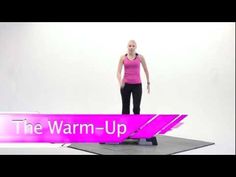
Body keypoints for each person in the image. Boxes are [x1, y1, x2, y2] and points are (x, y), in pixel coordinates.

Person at [117, 40, 150, 115]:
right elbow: (118, 72)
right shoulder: (123, 58)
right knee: (125, 108)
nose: (131, 47)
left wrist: (148, 83)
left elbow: (146, 70)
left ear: (136, 47)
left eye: (133, 46)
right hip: (125, 85)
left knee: (136, 107)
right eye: (129, 46)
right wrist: (120, 82)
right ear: (127, 47)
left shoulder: (140, 57)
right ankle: (126, 125)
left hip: (137, 85)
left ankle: (136, 125)